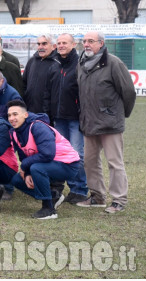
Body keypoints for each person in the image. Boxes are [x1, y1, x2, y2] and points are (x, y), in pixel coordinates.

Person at [76, 31, 136, 213]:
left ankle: (119, 200)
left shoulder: (114, 63)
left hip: (110, 123)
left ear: (101, 43)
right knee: (90, 161)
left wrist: (118, 115)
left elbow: (128, 92)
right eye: (84, 41)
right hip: (89, 122)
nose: (86, 44)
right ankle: (97, 197)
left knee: (114, 163)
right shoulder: (81, 63)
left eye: (91, 41)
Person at [7, 100, 82, 219]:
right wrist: (26, 174)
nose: (11, 118)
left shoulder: (37, 126)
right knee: (17, 179)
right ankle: (53, 195)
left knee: (36, 168)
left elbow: (47, 154)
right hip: (48, 164)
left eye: (15, 114)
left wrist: (25, 166)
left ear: (25, 115)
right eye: (9, 115)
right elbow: (24, 156)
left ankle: (48, 210)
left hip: (68, 165)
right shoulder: (15, 133)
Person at [46, 33, 88, 204]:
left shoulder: (80, 65)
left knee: (77, 154)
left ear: (74, 44)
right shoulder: (54, 65)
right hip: (58, 118)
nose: (61, 45)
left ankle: (79, 189)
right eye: (59, 43)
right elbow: (48, 92)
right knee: (61, 154)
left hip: (75, 118)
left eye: (65, 42)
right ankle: (64, 188)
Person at [22, 33, 59, 113]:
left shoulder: (57, 64)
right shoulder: (32, 61)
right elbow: (24, 83)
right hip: (29, 111)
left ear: (54, 46)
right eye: (39, 44)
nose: (40, 47)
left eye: (44, 44)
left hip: (48, 114)